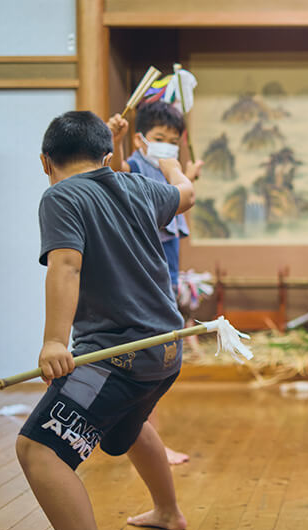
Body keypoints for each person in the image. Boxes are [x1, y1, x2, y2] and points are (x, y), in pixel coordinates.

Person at [15, 110, 195, 530]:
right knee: (127, 426)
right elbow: (185, 195)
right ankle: (168, 513)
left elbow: (65, 266)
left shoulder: (61, 196)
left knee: (38, 450)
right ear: (108, 155)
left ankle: (167, 512)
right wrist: (170, 165)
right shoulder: (140, 187)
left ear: (45, 161)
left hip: (118, 358)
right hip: (166, 351)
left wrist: (55, 342)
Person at [108, 101, 203, 465]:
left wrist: (186, 173)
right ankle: (150, 444)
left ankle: (148, 442)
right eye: (159, 139)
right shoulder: (134, 166)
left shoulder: (169, 169)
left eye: (172, 140)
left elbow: (180, 200)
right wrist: (116, 142)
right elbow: (116, 170)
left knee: (160, 359)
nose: (166, 145)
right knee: (152, 360)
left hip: (166, 274)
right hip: (145, 280)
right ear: (139, 139)